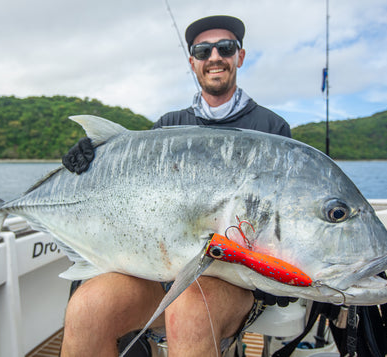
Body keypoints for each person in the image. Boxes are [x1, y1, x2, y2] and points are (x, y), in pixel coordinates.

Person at [61, 15, 292, 357]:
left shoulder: (272, 128)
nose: (214, 56)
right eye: (203, 50)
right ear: (192, 62)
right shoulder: (168, 126)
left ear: (240, 57)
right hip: (160, 273)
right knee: (87, 308)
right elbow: (130, 190)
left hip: (235, 282)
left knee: (189, 311)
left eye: (225, 48)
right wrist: (94, 162)